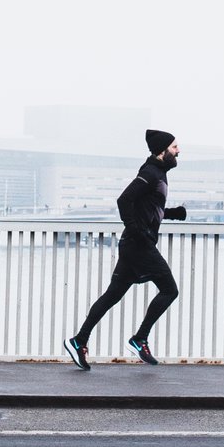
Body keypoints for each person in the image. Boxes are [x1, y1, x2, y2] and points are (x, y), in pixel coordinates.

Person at [64, 130, 187, 369]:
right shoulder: (150, 172)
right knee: (170, 290)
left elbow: (148, 207)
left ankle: (78, 341)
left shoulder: (158, 173)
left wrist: (172, 214)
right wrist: (137, 230)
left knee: (112, 295)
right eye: (174, 147)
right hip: (138, 245)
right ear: (161, 151)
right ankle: (139, 339)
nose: (178, 151)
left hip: (133, 246)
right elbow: (124, 200)